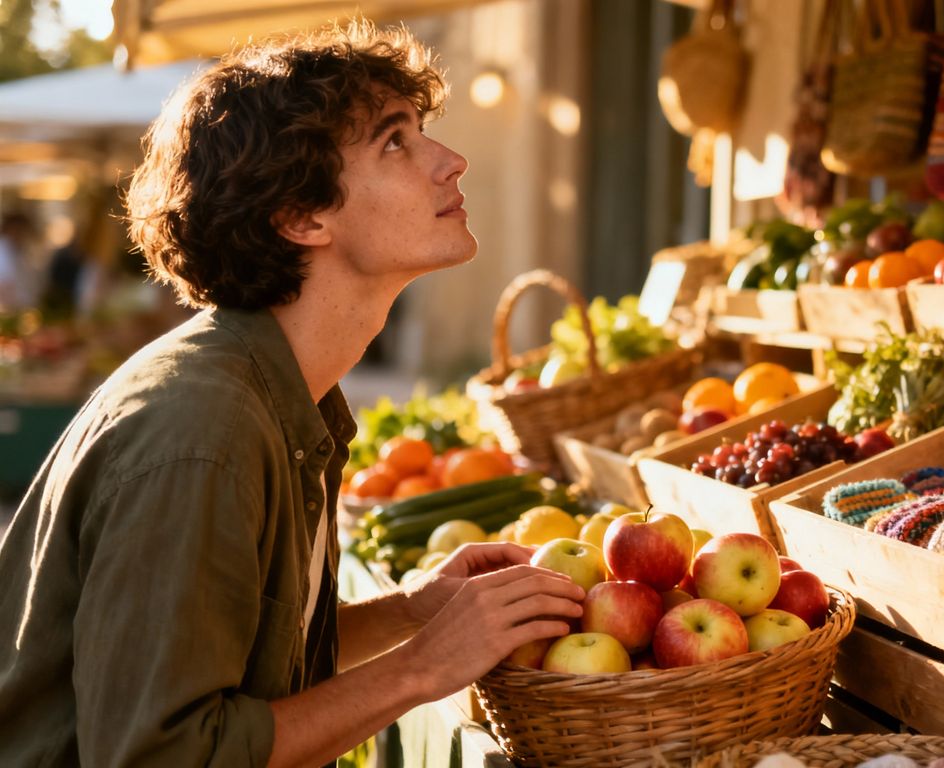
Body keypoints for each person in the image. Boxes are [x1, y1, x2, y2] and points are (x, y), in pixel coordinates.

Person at [0, 21, 583, 767]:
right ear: (301, 216)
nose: (451, 161)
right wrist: (422, 666)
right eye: (394, 142)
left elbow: (249, 657)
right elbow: (163, 754)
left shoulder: (271, 392)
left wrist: (411, 612)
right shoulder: (203, 431)